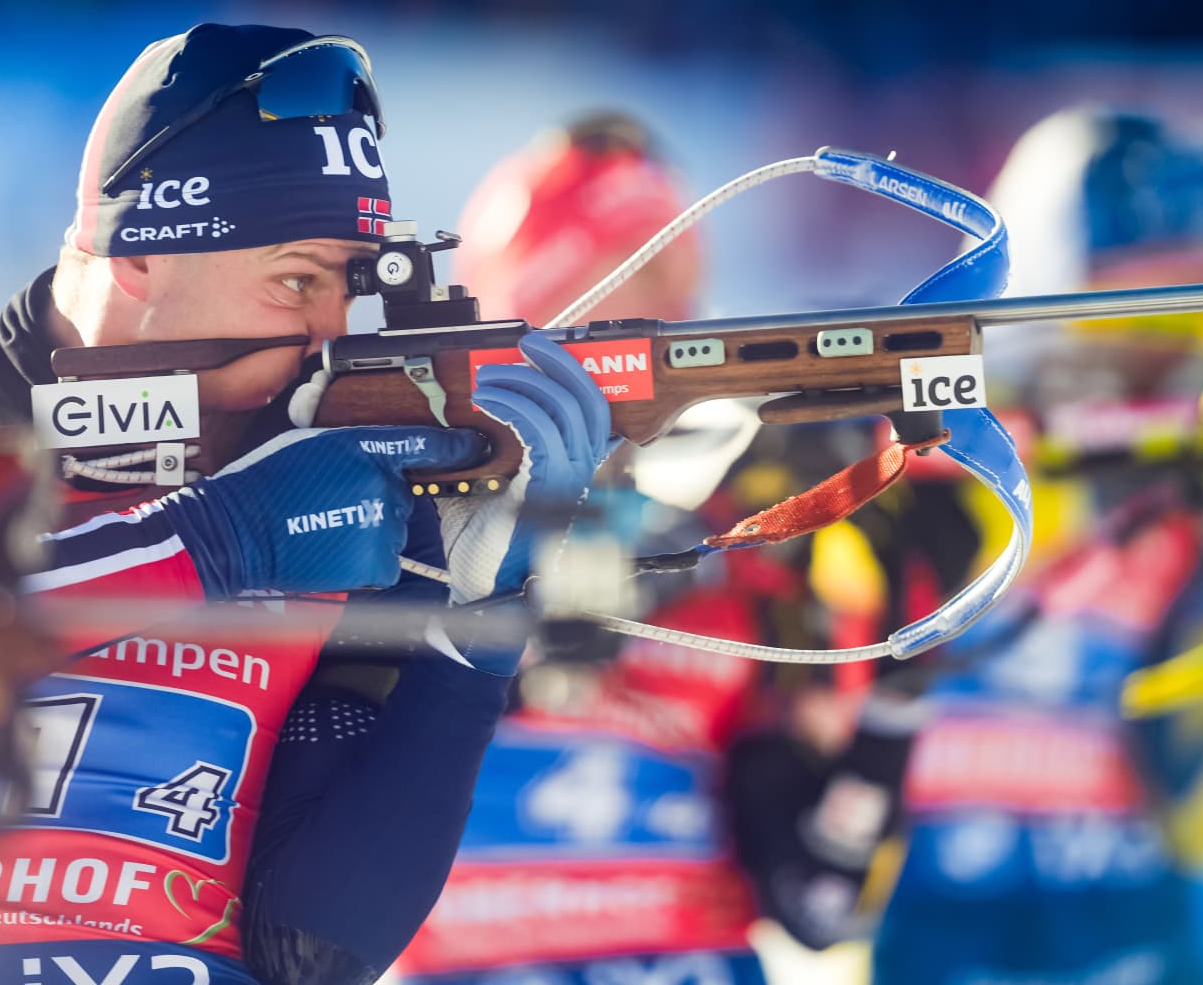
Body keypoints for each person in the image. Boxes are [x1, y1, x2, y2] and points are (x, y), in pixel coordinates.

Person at [0, 24, 613, 985]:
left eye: (350, 285)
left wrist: (474, 642)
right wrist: (215, 540)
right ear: (139, 260)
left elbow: (314, 950)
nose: (330, 331)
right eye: (297, 280)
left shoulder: (319, 485)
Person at [397, 114, 968, 985]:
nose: (648, 320)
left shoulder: (743, 524)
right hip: (482, 956)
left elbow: (822, 906)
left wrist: (901, 636)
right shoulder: (415, 510)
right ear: (531, 296)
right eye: (612, 277)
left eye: (668, 284)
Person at [869, 109, 1203, 985]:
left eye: (1187, 310)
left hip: (1132, 918)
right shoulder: (918, 460)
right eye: (1130, 305)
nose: (1159, 350)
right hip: (930, 921)